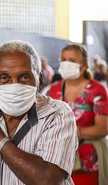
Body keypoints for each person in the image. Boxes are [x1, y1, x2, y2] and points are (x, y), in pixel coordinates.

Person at [0, 40, 78, 185]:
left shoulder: (57, 115)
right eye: (4, 77)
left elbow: (48, 180)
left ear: (40, 81)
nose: (14, 85)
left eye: (24, 77)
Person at [47, 43, 108, 185]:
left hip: (88, 161)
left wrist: (73, 132)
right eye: (63, 60)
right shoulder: (54, 90)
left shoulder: (96, 90)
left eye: (72, 61)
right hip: (59, 160)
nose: (66, 64)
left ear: (84, 66)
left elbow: (103, 128)